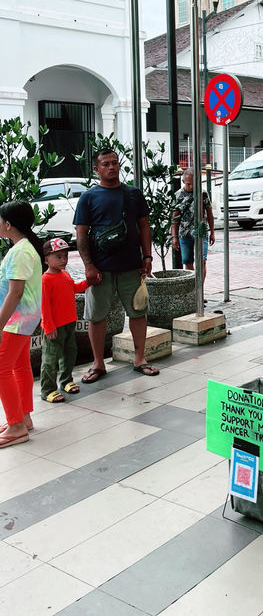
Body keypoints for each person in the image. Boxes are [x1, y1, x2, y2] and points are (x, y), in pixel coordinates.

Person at [74, 148, 159, 382]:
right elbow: (81, 234)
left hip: (132, 266)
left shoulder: (133, 194)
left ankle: (140, 358)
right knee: (96, 316)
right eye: (105, 164)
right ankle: (98, 364)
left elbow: (144, 226)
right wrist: (88, 265)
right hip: (100, 269)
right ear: (96, 169)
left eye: (114, 163)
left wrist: (148, 256)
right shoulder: (88, 197)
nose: (111, 167)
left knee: (138, 312)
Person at [0, 201, 44, 447]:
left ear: (8, 224)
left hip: (15, 321)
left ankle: (16, 426)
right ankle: (23, 418)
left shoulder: (20, 251)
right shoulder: (24, 247)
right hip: (24, 319)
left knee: (2, 369)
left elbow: (15, 293)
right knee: (19, 366)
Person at [40, 238, 87, 403]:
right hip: (54, 327)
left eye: (65, 256)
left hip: (69, 322)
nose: (63, 260)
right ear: (46, 259)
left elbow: (73, 288)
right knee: (50, 358)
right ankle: (47, 389)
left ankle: (66, 380)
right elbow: (44, 306)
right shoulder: (45, 280)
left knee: (69, 353)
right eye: (58, 257)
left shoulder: (65, 274)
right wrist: (48, 326)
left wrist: (88, 282)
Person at [171, 168, 215, 281]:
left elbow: (210, 214)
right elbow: (174, 218)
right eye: (188, 184)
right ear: (183, 181)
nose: (190, 186)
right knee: (188, 263)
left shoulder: (203, 194)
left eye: (193, 184)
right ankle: (193, 292)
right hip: (184, 234)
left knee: (202, 261)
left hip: (201, 233)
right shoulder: (178, 195)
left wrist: (212, 232)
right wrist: (174, 237)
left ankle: (200, 291)